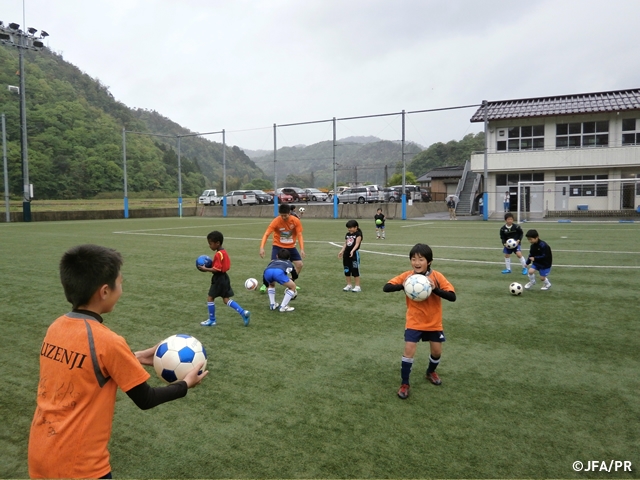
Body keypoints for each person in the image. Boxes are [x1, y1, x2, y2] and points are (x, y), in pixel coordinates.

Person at [28, 244, 208, 479]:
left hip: (40, 453)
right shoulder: (108, 341)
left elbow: (87, 364)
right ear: (104, 291)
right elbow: (146, 399)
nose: (121, 290)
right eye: (120, 283)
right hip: (79, 465)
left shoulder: (56, 327)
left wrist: (134, 357)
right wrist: (185, 384)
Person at [383, 243, 456, 399]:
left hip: (434, 322)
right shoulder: (408, 277)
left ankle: (430, 372)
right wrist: (403, 286)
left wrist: (434, 289)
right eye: (413, 259)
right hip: (414, 321)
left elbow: (452, 297)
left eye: (421, 259)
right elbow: (386, 287)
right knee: (409, 350)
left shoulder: (437, 277)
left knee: (436, 352)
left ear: (429, 261)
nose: (416, 262)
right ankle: (405, 384)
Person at [199, 230, 251, 326]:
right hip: (225, 278)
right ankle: (243, 312)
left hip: (218, 279)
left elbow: (217, 269)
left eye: (210, 243)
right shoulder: (224, 252)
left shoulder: (218, 254)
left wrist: (205, 269)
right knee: (226, 299)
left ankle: (212, 320)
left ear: (217, 243)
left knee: (210, 298)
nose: (209, 246)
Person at [259, 203, 305, 293]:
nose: (283, 217)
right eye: (281, 215)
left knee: (299, 265)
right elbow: (266, 234)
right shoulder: (276, 221)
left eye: (285, 215)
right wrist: (262, 247)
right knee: (273, 267)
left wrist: (302, 249)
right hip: (278, 246)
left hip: (291, 247)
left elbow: (299, 235)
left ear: (289, 213)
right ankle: (267, 284)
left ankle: (291, 282)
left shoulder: (295, 221)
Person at [338, 219, 363, 292]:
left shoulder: (358, 234)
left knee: (355, 270)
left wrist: (352, 251)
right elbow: (345, 243)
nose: (349, 229)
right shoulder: (347, 234)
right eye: (348, 228)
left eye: (351, 227)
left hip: (354, 254)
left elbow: (357, 244)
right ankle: (349, 285)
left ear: (356, 227)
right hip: (346, 254)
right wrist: (342, 251)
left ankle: (357, 286)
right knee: (347, 269)